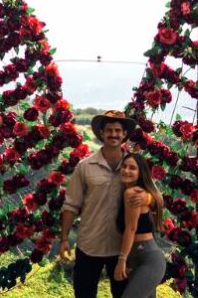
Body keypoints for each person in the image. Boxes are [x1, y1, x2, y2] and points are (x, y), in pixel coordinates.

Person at [60, 110, 151, 298]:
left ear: (124, 134)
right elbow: (71, 205)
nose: (114, 134)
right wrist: (63, 239)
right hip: (89, 245)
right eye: (109, 130)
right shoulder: (85, 167)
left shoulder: (133, 166)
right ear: (101, 133)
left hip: (122, 248)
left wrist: (147, 198)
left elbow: (155, 196)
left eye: (118, 130)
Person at [113, 153, 166, 297]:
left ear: (140, 172)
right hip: (136, 258)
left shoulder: (133, 193)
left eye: (132, 168)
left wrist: (122, 260)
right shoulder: (128, 192)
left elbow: (131, 228)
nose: (126, 170)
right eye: (124, 166)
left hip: (148, 259)